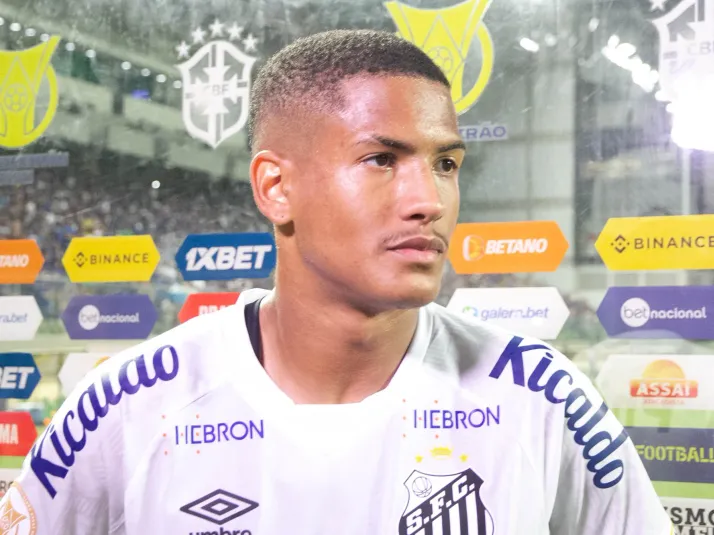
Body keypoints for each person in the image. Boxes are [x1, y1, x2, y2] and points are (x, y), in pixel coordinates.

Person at [2, 29, 672, 535]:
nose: (429, 200)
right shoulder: (128, 405)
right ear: (275, 186)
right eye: (381, 159)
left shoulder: (543, 397)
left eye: (445, 164)